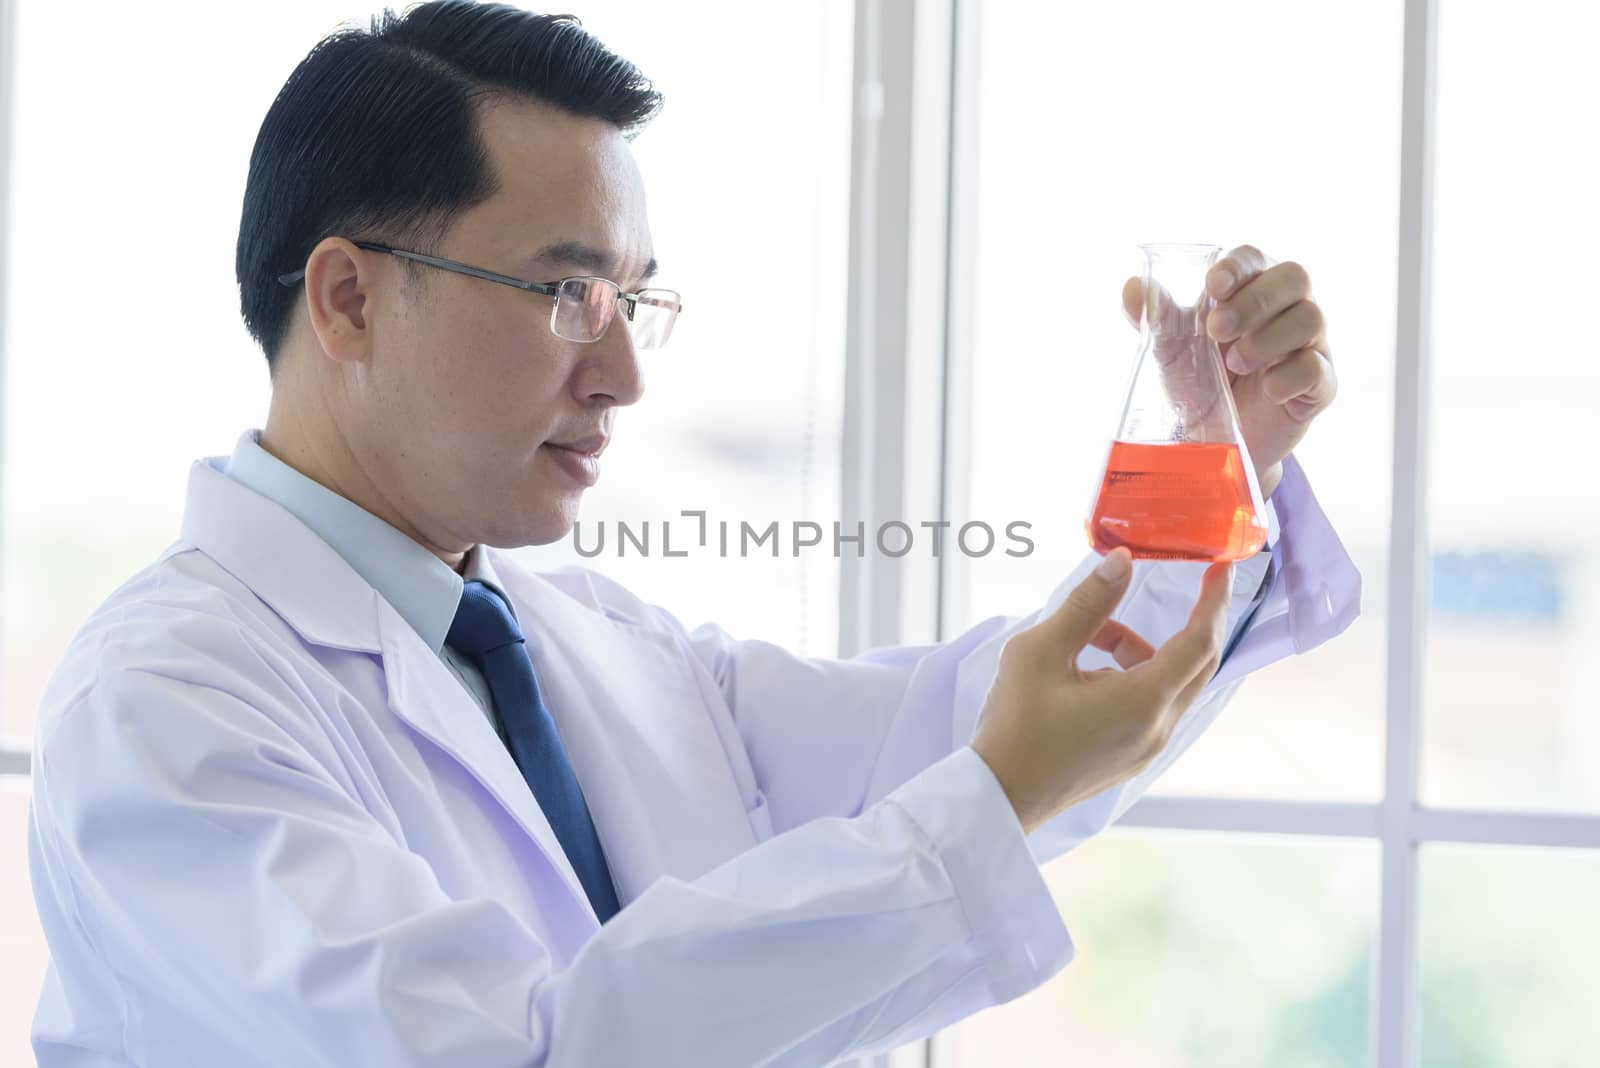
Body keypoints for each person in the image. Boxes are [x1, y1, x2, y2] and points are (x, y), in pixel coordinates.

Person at [25, 3, 1358, 1065]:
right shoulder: (169, 707)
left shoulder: (586, 638)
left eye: (631, 303)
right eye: (563, 295)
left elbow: (977, 734)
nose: (623, 379)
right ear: (348, 299)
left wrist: (1208, 446)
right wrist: (997, 792)